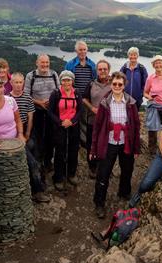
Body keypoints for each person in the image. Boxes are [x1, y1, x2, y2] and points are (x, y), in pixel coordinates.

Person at [90, 72, 141, 219]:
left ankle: (124, 192)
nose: (117, 86)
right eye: (114, 84)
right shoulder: (105, 103)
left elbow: (136, 126)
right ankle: (99, 202)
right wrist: (93, 148)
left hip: (126, 142)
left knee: (127, 169)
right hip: (109, 142)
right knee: (103, 174)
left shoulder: (130, 103)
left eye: (120, 84)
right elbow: (97, 127)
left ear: (124, 85)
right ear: (111, 84)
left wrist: (136, 147)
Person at [9, 72, 50, 203]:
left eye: (21, 82)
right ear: (11, 83)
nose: (18, 85)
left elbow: (30, 117)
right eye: (16, 82)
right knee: (32, 162)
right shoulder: (7, 99)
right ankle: (37, 191)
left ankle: (39, 184)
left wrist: (27, 134)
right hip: (14, 133)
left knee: (37, 157)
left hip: (28, 131)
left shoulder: (27, 97)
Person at [47, 70, 82, 191]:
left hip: (73, 126)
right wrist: (61, 122)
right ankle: (58, 177)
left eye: (69, 80)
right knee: (60, 152)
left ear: (72, 81)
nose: (66, 82)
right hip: (60, 127)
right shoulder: (56, 94)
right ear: (61, 81)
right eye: (64, 80)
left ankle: (71, 174)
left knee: (73, 150)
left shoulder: (76, 93)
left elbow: (80, 111)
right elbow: (50, 112)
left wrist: (71, 121)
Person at [24, 54, 60, 171]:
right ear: (37, 63)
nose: (45, 65)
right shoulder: (31, 76)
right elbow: (26, 95)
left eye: (47, 62)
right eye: (42, 62)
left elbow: (59, 92)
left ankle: (48, 160)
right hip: (36, 111)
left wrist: (51, 101)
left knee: (51, 136)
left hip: (51, 111)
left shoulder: (54, 74)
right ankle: (38, 160)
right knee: (38, 137)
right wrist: (39, 102)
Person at [82, 59, 112, 178]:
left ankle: (104, 166)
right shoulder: (91, 84)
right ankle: (92, 167)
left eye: (105, 69)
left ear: (108, 70)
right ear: (97, 71)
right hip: (93, 120)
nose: (103, 71)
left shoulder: (114, 83)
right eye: (100, 69)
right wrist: (92, 108)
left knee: (107, 144)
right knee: (92, 143)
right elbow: (84, 98)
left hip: (109, 122)